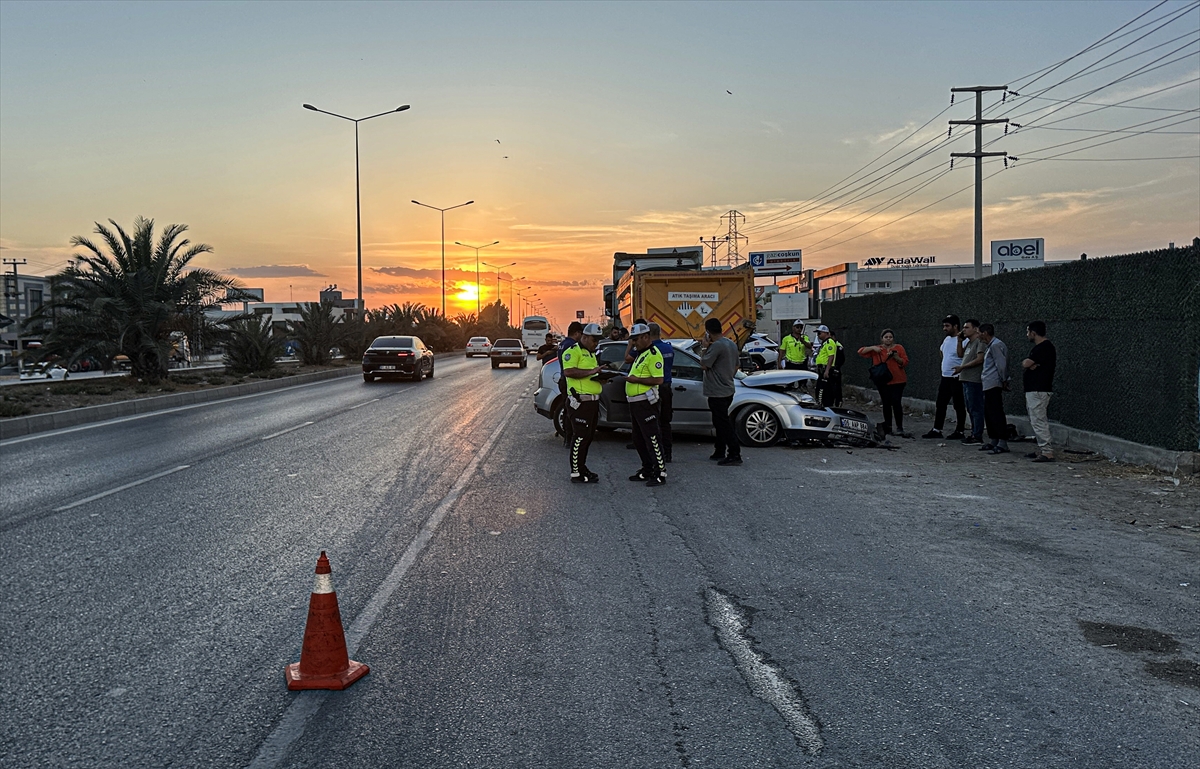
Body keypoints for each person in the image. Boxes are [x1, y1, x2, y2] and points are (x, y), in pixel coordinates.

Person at [561, 323, 604, 483]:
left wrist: (600, 378)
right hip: (580, 402)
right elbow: (569, 371)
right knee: (579, 438)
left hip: (592, 403)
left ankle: (582, 467)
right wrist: (591, 372)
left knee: (588, 437)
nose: (596, 343)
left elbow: (588, 376)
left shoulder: (591, 353)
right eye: (594, 340)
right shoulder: (573, 351)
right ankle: (576, 473)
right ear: (584, 337)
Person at [625, 323, 666, 486]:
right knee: (638, 438)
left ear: (646, 337)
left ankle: (660, 473)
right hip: (635, 403)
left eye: (636, 339)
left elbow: (658, 379)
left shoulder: (653, 354)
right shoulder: (641, 354)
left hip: (646, 403)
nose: (634, 342)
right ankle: (647, 469)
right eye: (632, 340)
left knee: (652, 438)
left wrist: (637, 380)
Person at [699, 317, 742, 466]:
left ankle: (734, 453)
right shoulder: (730, 344)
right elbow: (737, 365)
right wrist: (727, 375)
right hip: (728, 388)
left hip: (717, 391)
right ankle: (719, 450)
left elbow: (704, 365)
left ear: (708, 332)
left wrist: (704, 348)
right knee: (720, 421)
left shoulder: (716, 346)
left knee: (723, 423)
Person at [857, 329, 909, 437]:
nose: (888, 339)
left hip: (898, 380)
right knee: (886, 403)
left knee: (896, 402)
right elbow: (860, 351)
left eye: (890, 337)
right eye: (886, 337)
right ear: (882, 339)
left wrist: (896, 357)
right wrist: (872, 348)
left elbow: (905, 362)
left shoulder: (899, 348)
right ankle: (888, 426)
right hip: (883, 381)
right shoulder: (877, 349)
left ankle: (899, 427)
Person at [924, 314, 966, 440]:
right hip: (945, 377)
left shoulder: (964, 340)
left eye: (947, 326)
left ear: (955, 326)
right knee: (941, 403)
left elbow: (962, 355)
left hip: (957, 377)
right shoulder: (946, 340)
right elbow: (942, 351)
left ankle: (960, 431)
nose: (944, 328)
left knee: (958, 405)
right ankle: (937, 429)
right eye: (944, 326)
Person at [1022, 320, 1057, 463]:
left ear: (1033, 333)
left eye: (1028, 332)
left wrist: (1030, 363)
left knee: (1038, 420)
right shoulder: (1041, 348)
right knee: (1035, 419)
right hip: (1035, 389)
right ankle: (1042, 448)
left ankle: (1047, 451)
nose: (1027, 335)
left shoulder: (1043, 348)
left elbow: (1026, 363)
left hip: (1038, 389)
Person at [953, 319, 986, 445]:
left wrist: (962, 367)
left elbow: (979, 359)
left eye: (967, 327)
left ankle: (977, 435)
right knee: (970, 408)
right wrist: (959, 340)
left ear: (975, 329)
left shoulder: (979, 342)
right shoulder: (969, 343)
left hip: (974, 379)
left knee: (976, 408)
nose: (963, 330)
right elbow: (961, 354)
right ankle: (973, 433)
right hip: (966, 379)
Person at [979, 323, 1011, 455]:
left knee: (996, 412)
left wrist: (1004, 380)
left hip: (994, 383)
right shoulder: (990, 346)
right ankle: (994, 439)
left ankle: (1002, 441)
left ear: (985, 332)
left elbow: (1001, 365)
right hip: (988, 383)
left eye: (980, 333)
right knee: (989, 412)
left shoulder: (996, 345)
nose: (979, 335)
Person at [649, 322, 675, 462]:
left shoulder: (651, 350)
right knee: (665, 422)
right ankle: (667, 453)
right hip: (667, 387)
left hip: (654, 388)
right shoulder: (668, 348)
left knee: (653, 422)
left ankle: (656, 453)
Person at [558, 322, 584, 446]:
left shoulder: (562, 344)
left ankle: (568, 437)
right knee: (572, 410)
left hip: (564, 380)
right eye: (581, 334)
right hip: (570, 382)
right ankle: (569, 438)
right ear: (577, 333)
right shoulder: (572, 346)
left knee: (568, 408)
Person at [812, 325, 839, 406]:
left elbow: (831, 356)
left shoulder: (829, 342)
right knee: (820, 390)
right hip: (821, 370)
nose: (818, 335)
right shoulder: (823, 343)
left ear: (825, 333)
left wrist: (827, 370)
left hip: (826, 370)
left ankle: (826, 406)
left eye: (819, 333)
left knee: (825, 391)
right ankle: (823, 405)